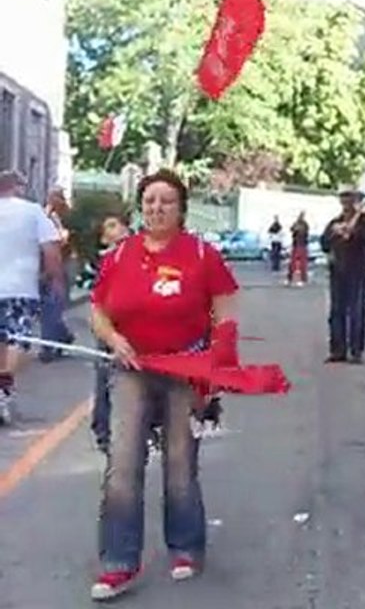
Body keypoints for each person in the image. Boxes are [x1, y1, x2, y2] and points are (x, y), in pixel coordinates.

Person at [88, 169, 239, 601]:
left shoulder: (201, 254)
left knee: (179, 463)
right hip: (130, 370)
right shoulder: (120, 255)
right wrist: (114, 340)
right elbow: (98, 311)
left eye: (166, 201)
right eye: (150, 201)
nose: (156, 208)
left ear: (181, 209)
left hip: (184, 370)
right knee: (122, 466)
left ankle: (186, 547)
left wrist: (218, 365)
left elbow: (225, 308)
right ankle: (118, 562)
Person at [0, 171, 63, 424]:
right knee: (19, 340)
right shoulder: (32, 211)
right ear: (16, 187)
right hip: (21, 287)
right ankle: (3, 388)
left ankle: (2, 391)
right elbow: (51, 249)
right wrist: (53, 278)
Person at [321, 185, 365, 363]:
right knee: (336, 311)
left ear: (355, 199)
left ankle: (356, 351)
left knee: (356, 310)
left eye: (349, 197)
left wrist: (354, 232)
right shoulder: (334, 222)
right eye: (343, 197)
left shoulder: (364, 220)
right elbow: (324, 244)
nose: (346, 201)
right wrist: (335, 233)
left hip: (358, 270)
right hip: (337, 271)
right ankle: (337, 349)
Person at [91, 212, 132, 453]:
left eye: (119, 224)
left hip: (135, 324)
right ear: (104, 238)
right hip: (109, 324)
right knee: (104, 378)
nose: (118, 229)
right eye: (111, 226)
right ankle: (102, 429)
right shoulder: (102, 261)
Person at [39, 186, 75, 361]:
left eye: (56, 198)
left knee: (53, 305)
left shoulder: (68, 217)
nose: (53, 202)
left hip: (64, 264)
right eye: (51, 198)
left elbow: (67, 240)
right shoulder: (43, 216)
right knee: (49, 307)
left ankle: (48, 347)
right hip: (45, 264)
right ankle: (62, 336)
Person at [287, 212, 309, 286]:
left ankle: (303, 279)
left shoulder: (305, 224)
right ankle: (290, 278)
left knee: (303, 264)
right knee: (292, 263)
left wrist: (298, 229)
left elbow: (305, 232)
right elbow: (291, 229)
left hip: (302, 245)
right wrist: (295, 228)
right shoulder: (296, 223)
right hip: (296, 244)